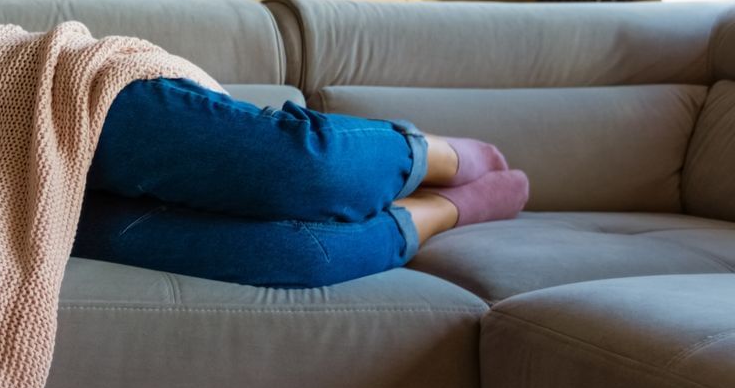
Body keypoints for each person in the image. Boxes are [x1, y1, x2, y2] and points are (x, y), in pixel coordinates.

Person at [75, 77, 529, 288]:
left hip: (48, 99)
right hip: (19, 199)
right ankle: (439, 212)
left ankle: (428, 153)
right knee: (303, 252)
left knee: (300, 167)